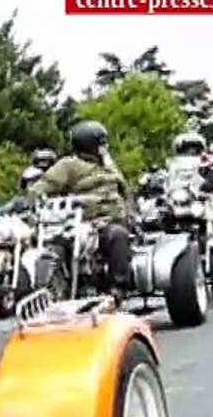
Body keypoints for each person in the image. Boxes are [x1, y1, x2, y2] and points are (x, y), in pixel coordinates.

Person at [26, 120, 133, 297]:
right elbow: (44, 185)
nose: (105, 147)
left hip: (112, 221)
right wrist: (34, 198)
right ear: (90, 144)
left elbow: (125, 191)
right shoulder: (69, 165)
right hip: (82, 222)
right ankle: (60, 285)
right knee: (59, 241)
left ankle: (118, 287)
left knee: (117, 234)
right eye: (101, 143)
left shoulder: (109, 165)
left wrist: (127, 209)